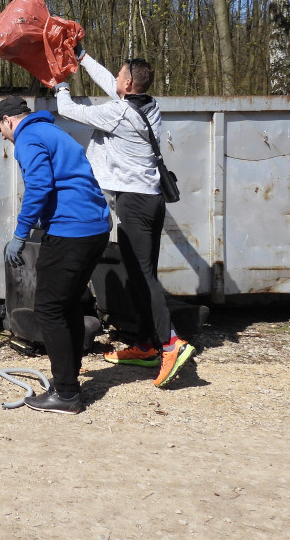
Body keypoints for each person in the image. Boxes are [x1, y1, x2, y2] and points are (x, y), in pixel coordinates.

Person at [54, 49, 196, 388]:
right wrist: (82, 56)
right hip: (152, 201)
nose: (115, 79)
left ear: (128, 83)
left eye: (120, 76)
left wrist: (59, 83)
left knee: (144, 277)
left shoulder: (118, 114)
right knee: (137, 274)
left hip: (133, 203)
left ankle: (170, 342)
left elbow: (68, 110)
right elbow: (110, 83)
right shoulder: (149, 106)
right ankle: (146, 345)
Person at [0, 95, 111, 414]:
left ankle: (67, 394)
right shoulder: (54, 132)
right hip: (95, 227)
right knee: (66, 304)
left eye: (0, 129)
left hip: (71, 229)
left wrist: (20, 234)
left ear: (8, 121)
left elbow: (39, 186)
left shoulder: (28, 136)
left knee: (47, 308)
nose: (3, 136)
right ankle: (66, 381)